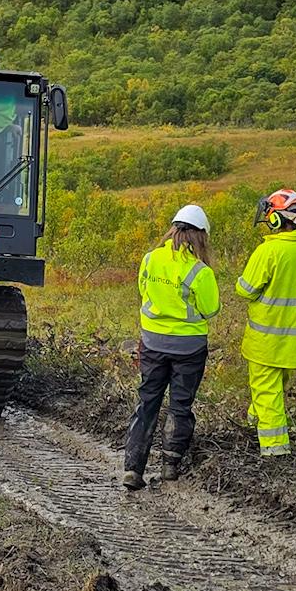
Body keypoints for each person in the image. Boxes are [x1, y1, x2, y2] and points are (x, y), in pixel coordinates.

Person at [122, 203, 218, 489]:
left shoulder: (150, 259)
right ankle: (170, 468)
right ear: (201, 236)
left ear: (173, 229)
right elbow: (211, 309)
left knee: (147, 403)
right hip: (189, 349)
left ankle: (132, 470)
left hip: (152, 343)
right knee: (180, 406)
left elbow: (143, 291)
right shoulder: (201, 272)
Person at [233, 188, 296, 460]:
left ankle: (275, 451)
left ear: (277, 220)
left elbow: (245, 289)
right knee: (273, 394)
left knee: (267, 394)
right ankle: (251, 427)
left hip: (265, 342)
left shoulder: (269, 250)